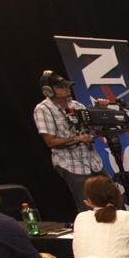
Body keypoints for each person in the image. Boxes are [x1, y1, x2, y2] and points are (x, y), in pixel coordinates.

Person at [32, 70, 106, 211]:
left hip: (93, 161)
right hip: (71, 165)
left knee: (111, 200)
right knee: (89, 209)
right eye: (62, 87)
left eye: (67, 86)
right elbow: (50, 142)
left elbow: (94, 128)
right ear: (48, 91)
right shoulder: (43, 109)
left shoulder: (76, 105)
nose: (67, 89)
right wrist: (77, 138)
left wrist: (99, 110)